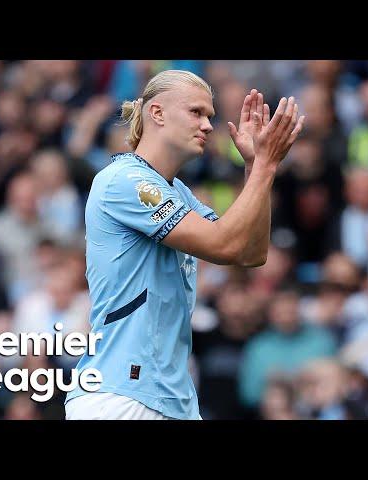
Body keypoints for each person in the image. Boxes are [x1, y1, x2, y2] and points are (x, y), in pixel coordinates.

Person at [64, 70, 305, 420]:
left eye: (210, 115)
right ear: (157, 113)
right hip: (120, 395)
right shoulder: (123, 180)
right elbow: (223, 244)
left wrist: (255, 166)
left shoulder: (179, 194)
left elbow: (250, 252)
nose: (208, 125)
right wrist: (266, 167)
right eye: (197, 112)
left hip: (172, 398)